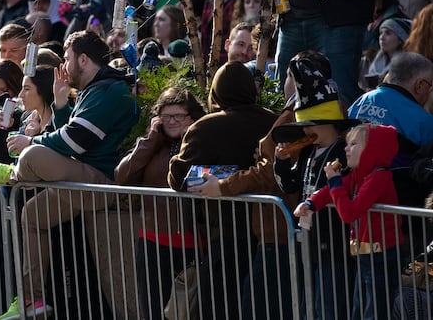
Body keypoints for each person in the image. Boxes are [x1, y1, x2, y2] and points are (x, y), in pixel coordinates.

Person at [0, 30, 138, 319]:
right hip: (82, 176)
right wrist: (62, 103)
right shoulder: (94, 90)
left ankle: (15, 176)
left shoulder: (110, 91)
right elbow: (68, 139)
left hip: (103, 181)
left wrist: (32, 142)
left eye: (67, 58)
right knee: (32, 215)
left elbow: (74, 142)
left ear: (84, 58)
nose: (63, 65)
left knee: (32, 155)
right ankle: (32, 299)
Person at [167, 61, 278, 320]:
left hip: (225, 233)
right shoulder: (272, 122)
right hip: (268, 230)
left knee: (218, 306)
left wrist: (222, 178)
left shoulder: (206, 127)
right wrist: (242, 173)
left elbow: (179, 177)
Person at [273, 52, 358, 320]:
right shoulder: (309, 152)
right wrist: (282, 162)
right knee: (310, 307)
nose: (306, 132)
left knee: (329, 308)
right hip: (307, 245)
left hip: (334, 246)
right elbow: (290, 187)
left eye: (311, 126)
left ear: (328, 124)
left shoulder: (342, 152)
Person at [294, 123, 403, 320]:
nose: (346, 148)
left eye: (353, 144)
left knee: (374, 310)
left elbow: (349, 213)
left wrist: (335, 181)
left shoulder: (379, 176)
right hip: (363, 253)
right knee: (359, 308)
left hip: (380, 256)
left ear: (372, 149)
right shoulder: (357, 175)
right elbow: (327, 192)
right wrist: (310, 203)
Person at [115, 87, 205, 320]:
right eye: (166, 117)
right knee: (154, 310)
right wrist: (150, 137)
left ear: (192, 117)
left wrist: (192, 135)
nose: (172, 121)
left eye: (179, 116)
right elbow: (123, 176)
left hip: (194, 242)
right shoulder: (152, 144)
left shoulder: (203, 140)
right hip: (153, 242)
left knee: (189, 310)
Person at [360, 17, 411, 90]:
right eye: (381, 33)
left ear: (400, 39)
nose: (382, 37)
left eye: (388, 33)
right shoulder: (369, 58)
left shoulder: (407, 65)